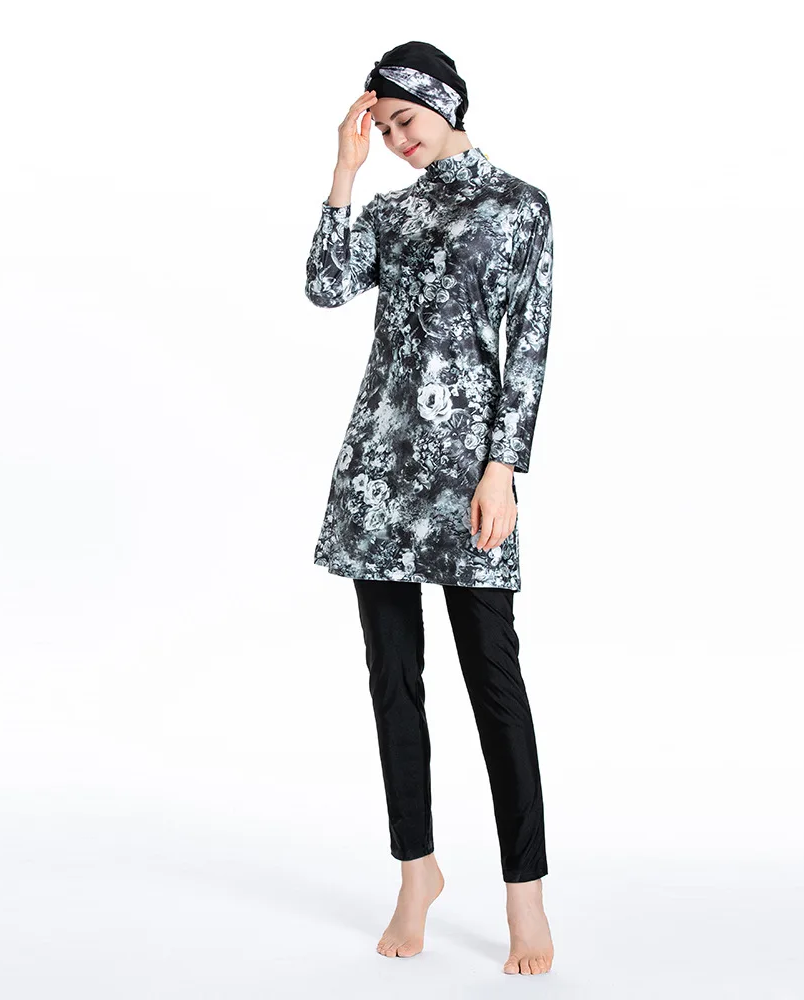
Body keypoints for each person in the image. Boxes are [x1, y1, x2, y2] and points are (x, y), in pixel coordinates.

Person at [304, 41, 554, 976]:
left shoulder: (518, 205)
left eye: (404, 121)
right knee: (392, 680)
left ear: (445, 105)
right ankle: (417, 872)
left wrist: (504, 468)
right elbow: (326, 285)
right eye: (384, 128)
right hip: (378, 473)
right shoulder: (391, 212)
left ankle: (525, 896)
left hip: (468, 477)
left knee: (495, 682)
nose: (397, 140)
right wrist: (345, 171)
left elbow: (529, 345)